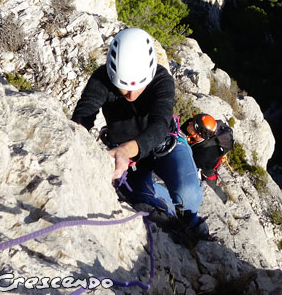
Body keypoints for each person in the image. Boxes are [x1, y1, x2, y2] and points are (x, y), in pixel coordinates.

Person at [72, 27, 205, 233]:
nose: (131, 94)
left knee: (189, 196)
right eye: (123, 87)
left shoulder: (161, 80)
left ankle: (190, 216)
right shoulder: (102, 80)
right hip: (131, 159)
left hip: (164, 144)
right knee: (140, 197)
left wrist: (126, 150)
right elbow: (83, 115)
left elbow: (160, 124)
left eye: (137, 87)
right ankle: (171, 211)